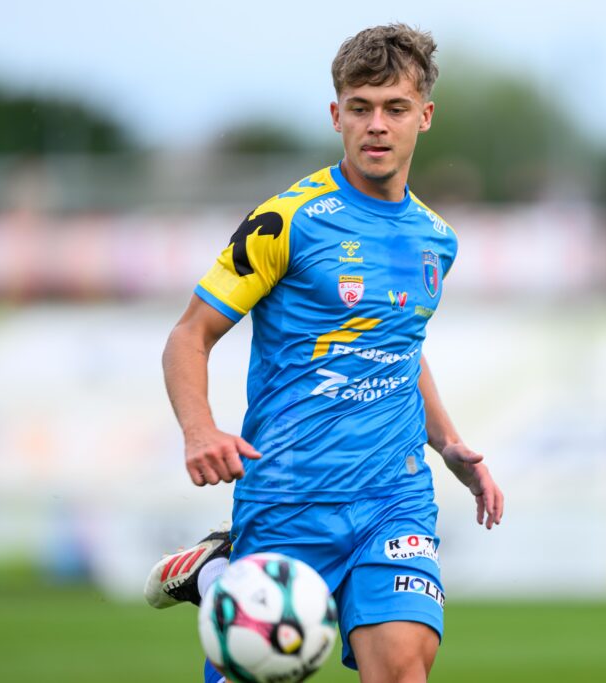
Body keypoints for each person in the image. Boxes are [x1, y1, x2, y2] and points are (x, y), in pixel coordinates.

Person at [144, 23, 504, 683]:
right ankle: (222, 570)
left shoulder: (436, 238)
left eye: (395, 108)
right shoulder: (286, 220)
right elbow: (188, 335)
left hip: (393, 497)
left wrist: (448, 442)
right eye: (360, 107)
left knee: (403, 668)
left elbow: (399, 345)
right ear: (337, 115)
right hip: (287, 497)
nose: (377, 125)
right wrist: (199, 430)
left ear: (424, 116)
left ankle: (226, 573)